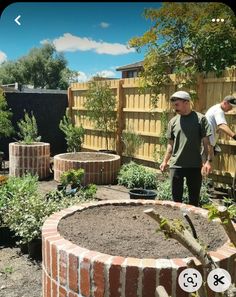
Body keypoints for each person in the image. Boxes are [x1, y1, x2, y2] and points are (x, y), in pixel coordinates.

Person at [160, 91, 213, 206]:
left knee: (194, 200)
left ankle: (192, 222)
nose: (174, 108)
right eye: (173, 105)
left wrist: (208, 162)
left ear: (186, 103)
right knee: (176, 201)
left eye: (177, 105)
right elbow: (170, 145)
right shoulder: (173, 122)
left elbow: (206, 143)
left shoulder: (200, 119)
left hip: (194, 165)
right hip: (176, 165)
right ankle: (177, 222)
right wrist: (165, 161)